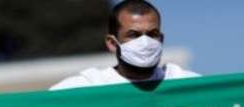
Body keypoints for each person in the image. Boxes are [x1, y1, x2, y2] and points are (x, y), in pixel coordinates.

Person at [50, 0, 199, 91]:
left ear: (161, 39)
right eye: (134, 35)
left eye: (152, 34)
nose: (145, 42)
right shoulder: (87, 87)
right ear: (112, 44)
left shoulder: (186, 85)